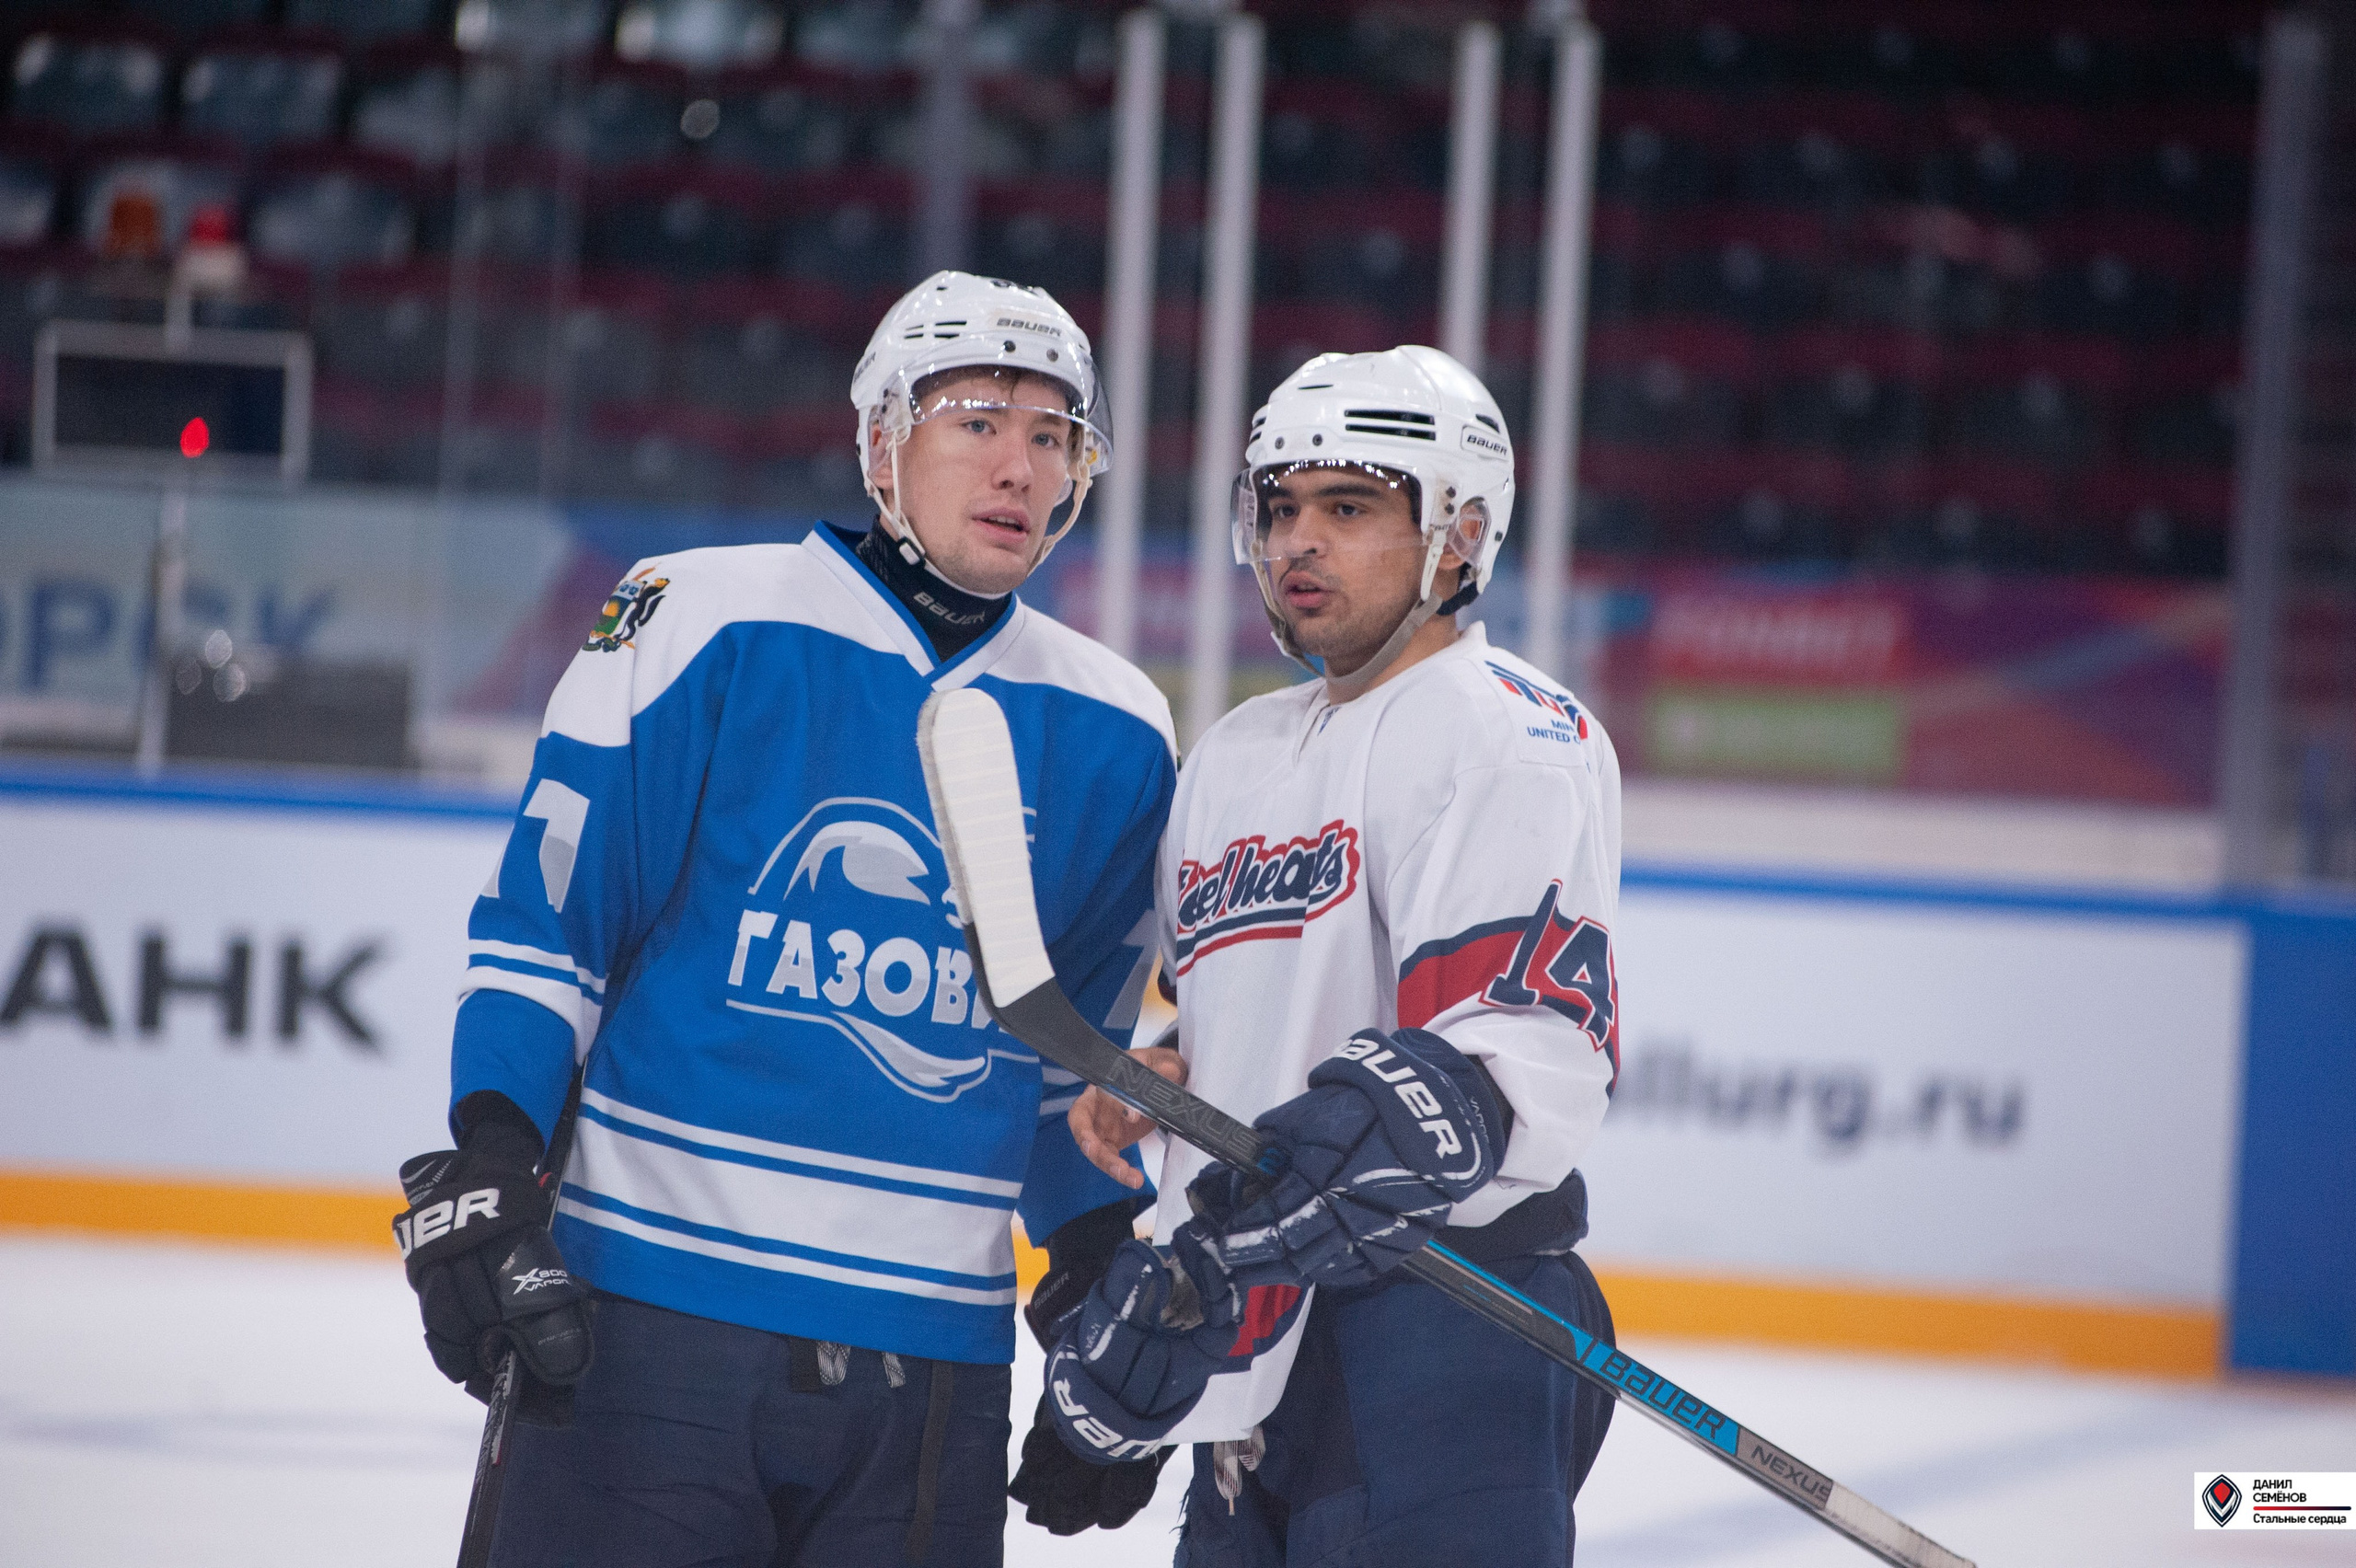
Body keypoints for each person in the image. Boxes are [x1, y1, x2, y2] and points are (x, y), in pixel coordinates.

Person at [390, 271, 1177, 1567]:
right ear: (881, 440)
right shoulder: (699, 616)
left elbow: (1067, 1065)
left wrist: (1094, 1267)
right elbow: (553, 929)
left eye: (1053, 434)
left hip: (930, 1380)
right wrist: (492, 1153)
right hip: (648, 1330)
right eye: (976, 419)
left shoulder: (1118, 726)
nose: (1019, 466)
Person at [1055, 346, 1623, 1564]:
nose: (1297, 542)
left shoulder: (1507, 733)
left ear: (1461, 534)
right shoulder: (1238, 750)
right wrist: (1170, 1071)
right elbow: (1271, 1011)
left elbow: (1474, 1083)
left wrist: (1218, 1251)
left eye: (1350, 506)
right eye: (1280, 506)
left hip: (1439, 1322)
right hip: (1259, 1325)